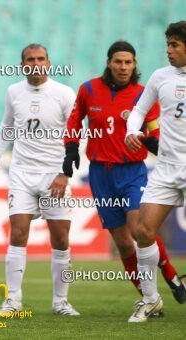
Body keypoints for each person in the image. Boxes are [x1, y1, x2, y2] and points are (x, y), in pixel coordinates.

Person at [63, 40, 185, 309]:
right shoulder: (88, 89)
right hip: (100, 175)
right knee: (123, 243)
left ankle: (171, 277)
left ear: (135, 65)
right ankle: (149, 298)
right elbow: (74, 120)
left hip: (132, 172)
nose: (123, 66)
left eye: (128, 62)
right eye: (118, 61)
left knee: (139, 228)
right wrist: (71, 149)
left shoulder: (144, 93)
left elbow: (154, 132)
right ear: (108, 63)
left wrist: (147, 141)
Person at [0, 44, 80, 316]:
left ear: (48, 62)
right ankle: (13, 300)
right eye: (29, 60)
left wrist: (65, 173)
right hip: (22, 174)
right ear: (22, 64)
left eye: (40, 59)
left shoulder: (64, 94)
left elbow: (75, 134)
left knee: (60, 239)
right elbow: (6, 127)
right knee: (18, 232)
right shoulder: (13, 92)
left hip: (54, 175)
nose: (35, 63)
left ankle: (61, 302)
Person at [125, 21, 186, 322]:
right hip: (165, 169)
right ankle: (151, 299)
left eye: (175, 45)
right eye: (168, 45)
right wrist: (131, 130)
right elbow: (138, 109)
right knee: (143, 231)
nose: (169, 51)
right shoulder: (160, 76)